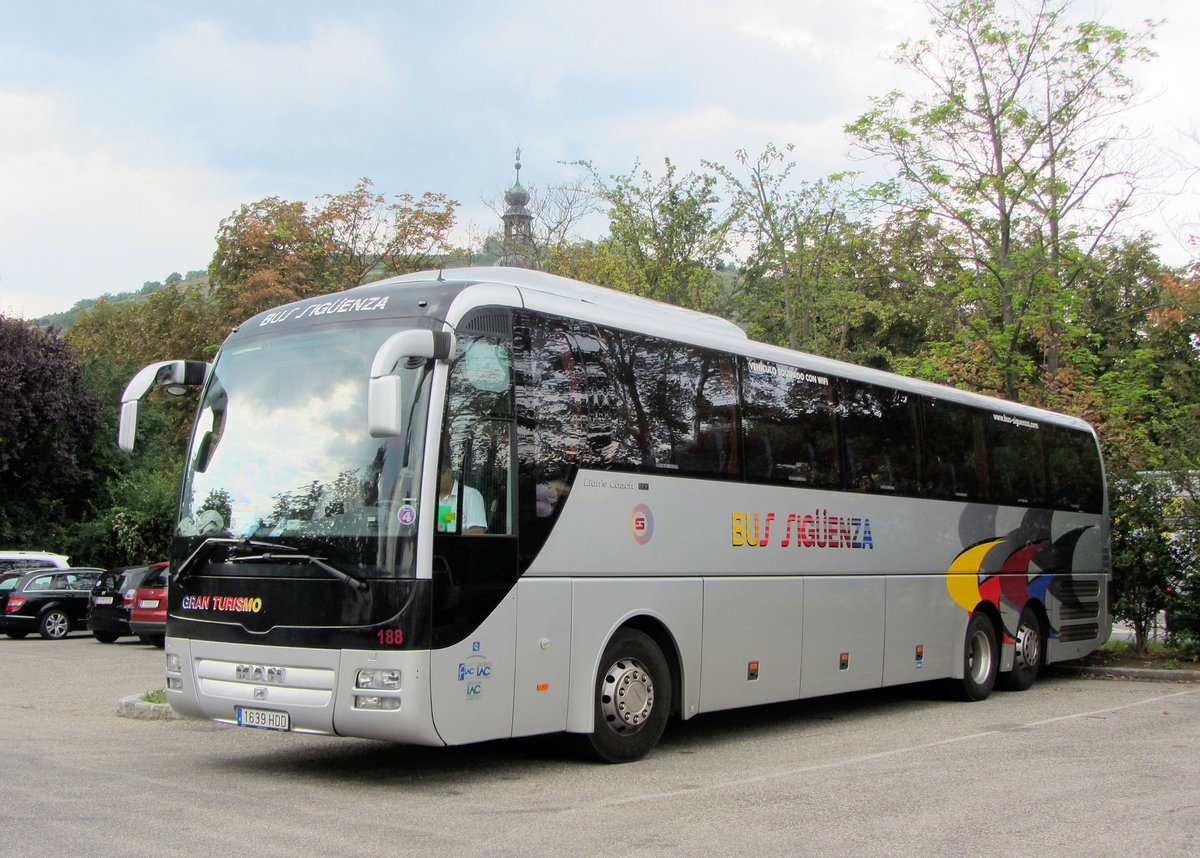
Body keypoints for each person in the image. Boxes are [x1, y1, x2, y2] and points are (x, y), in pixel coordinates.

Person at [438, 464, 488, 534]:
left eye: (436, 477)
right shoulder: (429, 497)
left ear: (448, 472)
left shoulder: (470, 495)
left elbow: (478, 531)